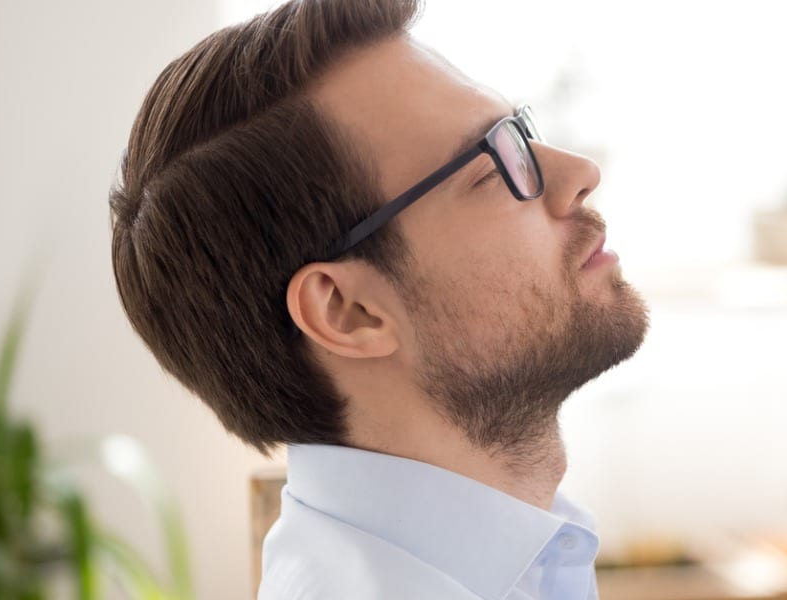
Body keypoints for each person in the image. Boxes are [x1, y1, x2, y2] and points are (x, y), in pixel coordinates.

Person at [108, 0, 650, 597]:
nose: (579, 172)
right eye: (491, 169)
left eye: (520, 132)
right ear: (348, 311)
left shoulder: (522, 561)